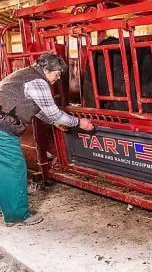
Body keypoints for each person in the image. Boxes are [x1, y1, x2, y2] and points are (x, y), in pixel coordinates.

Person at [0, 52, 94, 226]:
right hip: (3, 130)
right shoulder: (38, 81)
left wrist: (54, 121)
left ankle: (6, 207)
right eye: (57, 74)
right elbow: (53, 112)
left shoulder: (23, 75)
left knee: (3, 169)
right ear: (46, 69)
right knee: (14, 168)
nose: (57, 79)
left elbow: (39, 110)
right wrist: (79, 122)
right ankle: (17, 215)